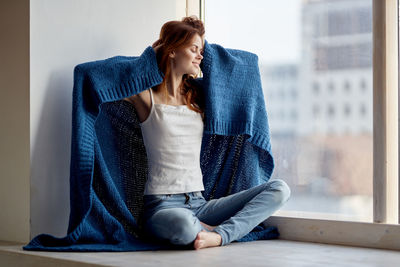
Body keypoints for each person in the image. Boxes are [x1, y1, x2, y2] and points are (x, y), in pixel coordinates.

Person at [123, 16, 291, 250]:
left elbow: (243, 68)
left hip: (200, 203)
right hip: (163, 207)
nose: (201, 56)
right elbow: (100, 75)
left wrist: (201, 46)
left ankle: (218, 235)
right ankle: (207, 230)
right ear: (172, 51)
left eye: (202, 50)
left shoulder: (198, 98)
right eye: (194, 49)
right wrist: (155, 52)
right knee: (183, 227)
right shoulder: (145, 97)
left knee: (280, 189)